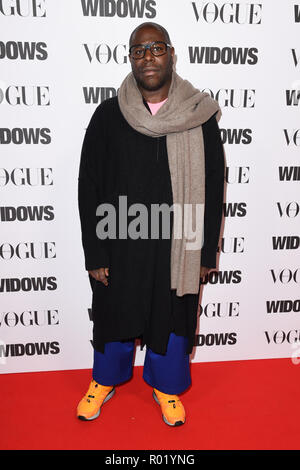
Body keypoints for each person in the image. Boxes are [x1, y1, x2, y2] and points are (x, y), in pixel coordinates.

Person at [77, 22, 225, 426]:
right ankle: (104, 380)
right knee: (113, 314)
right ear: (130, 58)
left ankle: (166, 387)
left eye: (156, 48)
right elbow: (88, 185)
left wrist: (205, 250)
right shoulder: (108, 115)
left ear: (172, 54)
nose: (148, 57)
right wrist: (95, 251)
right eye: (139, 50)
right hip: (119, 241)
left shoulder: (199, 115)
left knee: (172, 316)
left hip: (177, 246)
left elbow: (213, 187)